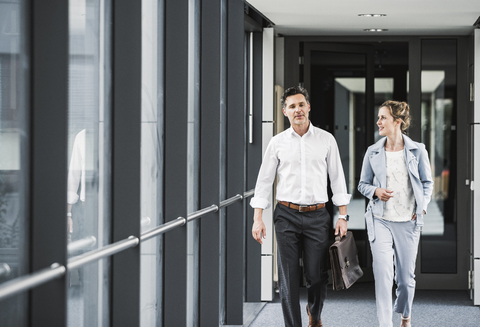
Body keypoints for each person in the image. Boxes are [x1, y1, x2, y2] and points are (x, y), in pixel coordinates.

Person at [250, 86, 351, 327]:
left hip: (317, 215)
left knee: (316, 276)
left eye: (301, 104)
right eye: (292, 106)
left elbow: (338, 178)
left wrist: (343, 215)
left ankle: (314, 316)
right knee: (288, 277)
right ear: (285, 111)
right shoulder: (277, 143)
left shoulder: (326, 140)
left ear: (308, 107)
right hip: (286, 215)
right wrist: (258, 217)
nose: (298, 110)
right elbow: (264, 181)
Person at [358, 101, 433, 327]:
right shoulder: (372, 152)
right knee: (382, 275)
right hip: (380, 220)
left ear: (397, 122)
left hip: (408, 222)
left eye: (383, 118)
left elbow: (427, 183)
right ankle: (385, 324)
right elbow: (362, 184)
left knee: (405, 280)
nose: (378, 122)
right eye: (378, 117)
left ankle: (405, 316)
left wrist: (422, 207)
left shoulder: (417, 150)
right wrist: (375, 191)